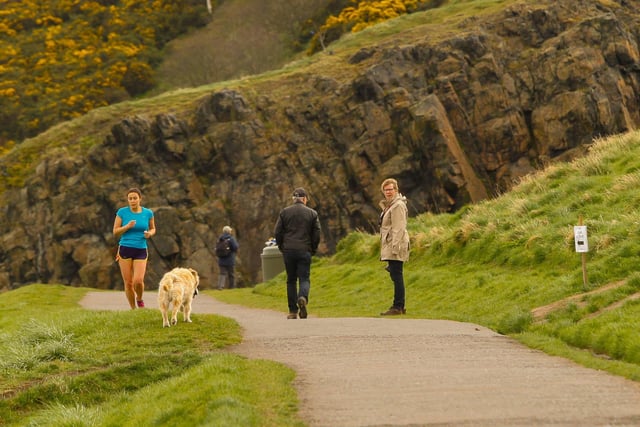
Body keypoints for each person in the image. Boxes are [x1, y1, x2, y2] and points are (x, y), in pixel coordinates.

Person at [274, 187, 321, 319]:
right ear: (305, 199)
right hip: (304, 249)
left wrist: (281, 246)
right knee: (304, 278)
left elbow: (277, 232)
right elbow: (317, 233)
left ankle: (293, 311)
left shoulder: (284, 212)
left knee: (291, 280)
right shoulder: (312, 213)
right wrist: (313, 248)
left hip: (288, 250)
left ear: (293, 199)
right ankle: (303, 297)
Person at [113, 187, 156, 309]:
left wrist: (150, 234)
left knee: (138, 280)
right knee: (128, 283)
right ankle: (133, 309)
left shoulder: (148, 213)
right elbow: (115, 231)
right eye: (130, 198)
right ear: (127, 200)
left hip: (141, 249)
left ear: (140, 199)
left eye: (135, 198)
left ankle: (140, 298)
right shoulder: (122, 212)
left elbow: (153, 228)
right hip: (125, 248)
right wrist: (127, 226)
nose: (132, 200)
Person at [378, 178, 410, 315]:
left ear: (396, 190)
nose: (388, 192)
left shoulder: (397, 206)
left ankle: (398, 306)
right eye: (386, 190)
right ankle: (399, 306)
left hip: (395, 245)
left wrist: (395, 248)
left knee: (397, 275)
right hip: (391, 244)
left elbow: (399, 228)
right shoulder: (390, 205)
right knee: (395, 274)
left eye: (391, 189)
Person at [216, 225, 239, 290]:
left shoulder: (220, 239)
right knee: (231, 274)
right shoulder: (231, 238)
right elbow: (235, 247)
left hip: (221, 259)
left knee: (222, 274)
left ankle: (220, 286)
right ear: (229, 231)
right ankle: (231, 287)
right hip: (230, 259)